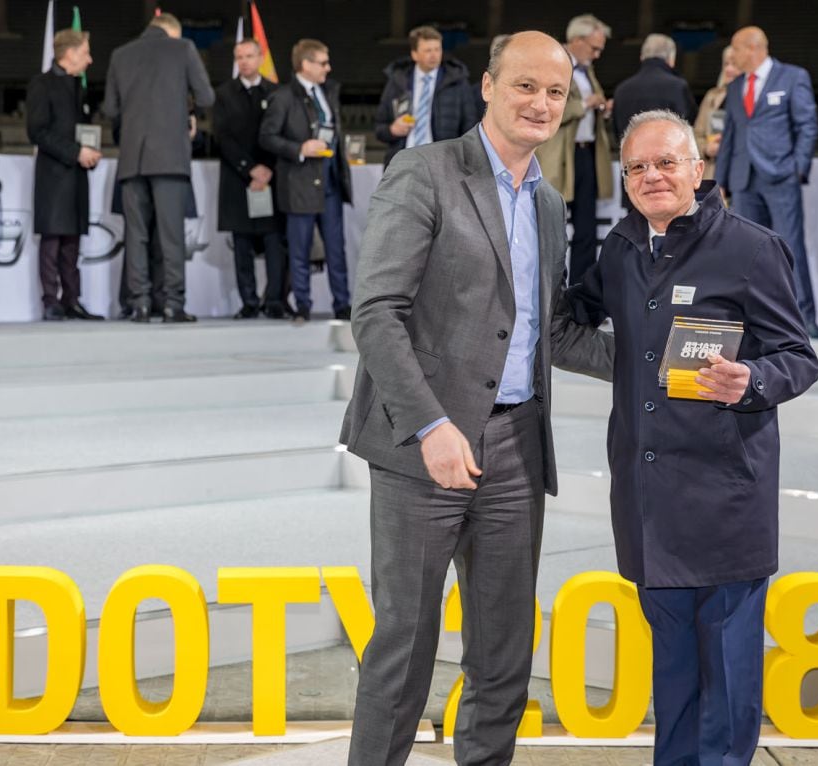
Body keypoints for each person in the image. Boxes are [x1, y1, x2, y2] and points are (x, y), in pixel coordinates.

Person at [341, 31, 614, 766]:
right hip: (421, 445)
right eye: (525, 85)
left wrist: (660, 364)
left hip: (518, 446)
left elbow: (550, 332)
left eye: (555, 92)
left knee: (502, 650)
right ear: (489, 87)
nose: (541, 103)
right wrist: (430, 423)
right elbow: (376, 311)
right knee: (404, 642)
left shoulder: (551, 205)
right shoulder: (424, 171)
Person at [568, 110, 818, 766]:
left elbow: (800, 356)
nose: (653, 176)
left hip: (726, 502)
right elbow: (578, 310)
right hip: (651, 507)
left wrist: (752, 379)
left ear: (697, 170)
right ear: (624, 181)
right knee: (673, 684)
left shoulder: (750, 248)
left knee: (729, 693)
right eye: (638, 168)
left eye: (667, 163)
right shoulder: (621, 248)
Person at [102, 12, 214, 323]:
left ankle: (139, 303)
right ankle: (172, 304)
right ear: (172, 32)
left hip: (132, 159)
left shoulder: (120, 54)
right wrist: (183, 107)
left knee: (135, 235)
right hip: (170, 157)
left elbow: (110, 108)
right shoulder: (183, 48)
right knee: (171, 235)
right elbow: (206, 95)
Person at [715, 26, 818, 338]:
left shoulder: (792, 77)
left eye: (735, 49)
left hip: (780, 177)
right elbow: (730, 137)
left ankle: (804, 319)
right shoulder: (735, 86)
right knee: (748, 251)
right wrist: (721, 180)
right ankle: (754, 321)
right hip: (744, 178)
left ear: (753, 48)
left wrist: (797, 168)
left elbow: (807, 125)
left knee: (789, 247)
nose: (732, 56)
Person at [260, 39, 352, 322]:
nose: (328, 68)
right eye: (323, 63)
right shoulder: (284, 97)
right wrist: (299, 149)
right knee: (299, 249)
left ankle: (343, 304)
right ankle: (302, 304)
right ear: (306, 65)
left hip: (330, 183)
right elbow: (267, 136)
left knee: (336, 249)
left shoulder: (329, 91)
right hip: (299, 183)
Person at [26, 29, 103, 322]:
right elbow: (37, 131)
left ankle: (72, 300)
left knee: (72, 241)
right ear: (69, 54)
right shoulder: (41, 84)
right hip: (54, 173)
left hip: (76, 173)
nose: (90, 59)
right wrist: (75, 152)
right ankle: (50, 301)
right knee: (53, 238)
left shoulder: (78, 87)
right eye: (85, 52)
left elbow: (82, 130)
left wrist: (90, 152)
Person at [536, 13, 614, 286]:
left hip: (586, 153)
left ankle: (582, 289)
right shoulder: (553, 65)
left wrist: (602, 109)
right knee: (550, 224)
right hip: (559, 157)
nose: (598, 54)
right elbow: (544, 105)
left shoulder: (586, 69)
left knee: (586, 227)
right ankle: (547, 287)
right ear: (576, 41)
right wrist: (584, 106)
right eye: (594, 47)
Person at [214, 38, 287, 319]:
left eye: (249, 56)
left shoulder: (277, 92)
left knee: (273, 242)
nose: (244, 61)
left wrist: (267, 168)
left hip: (271, 178)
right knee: (241, 244)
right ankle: (249, 301)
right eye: (239, 56)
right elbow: (223, 137)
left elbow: (280, 133)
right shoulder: (224, 94)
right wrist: (249, 169)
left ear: (260, 58)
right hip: (238, 179)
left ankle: (275, 301)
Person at [373, 24, 478, 167]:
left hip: (443, 164)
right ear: (414, 54)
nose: (434, 55)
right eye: (428, 50)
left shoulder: (457, 82)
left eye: (437, 49)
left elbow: (470, 127)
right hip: (403, 162)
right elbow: (379, 128)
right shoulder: (397, 82)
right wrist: (392, 130)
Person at [612, 34, 696, 146]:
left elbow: (617, 133)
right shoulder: (677, 87)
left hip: (631, 159)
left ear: (642, 57)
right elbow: (687, 127)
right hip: (666, 158)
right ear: (671, 59)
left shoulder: (621, 90)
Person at [693, 45, 739, 180]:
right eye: (726, 64)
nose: (729, 69)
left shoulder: (755, 98)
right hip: (714, 173)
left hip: (741, 174)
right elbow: (697, 134)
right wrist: (707, 149)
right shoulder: (711, 96)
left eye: (734, 64)